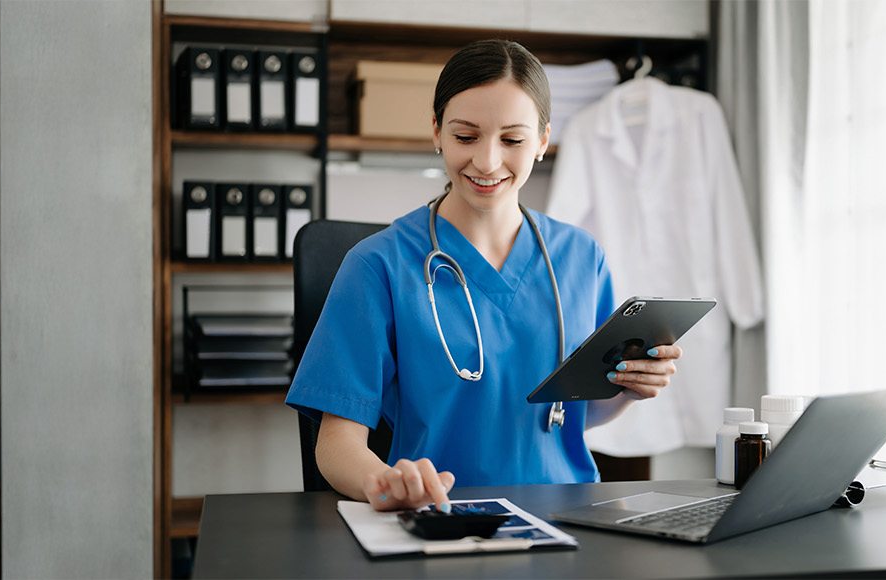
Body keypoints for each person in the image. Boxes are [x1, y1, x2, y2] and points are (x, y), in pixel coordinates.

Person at [285, 39, 682, 514]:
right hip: (443, 518)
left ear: (543, 141)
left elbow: (571, 415)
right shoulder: (377, 265)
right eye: (466, 136)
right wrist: (387, 482)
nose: (488, 161)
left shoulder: (581, 256)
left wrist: (631, 387)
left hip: (569, 518)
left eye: (512, 140)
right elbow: (335, 444)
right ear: (436, 132)